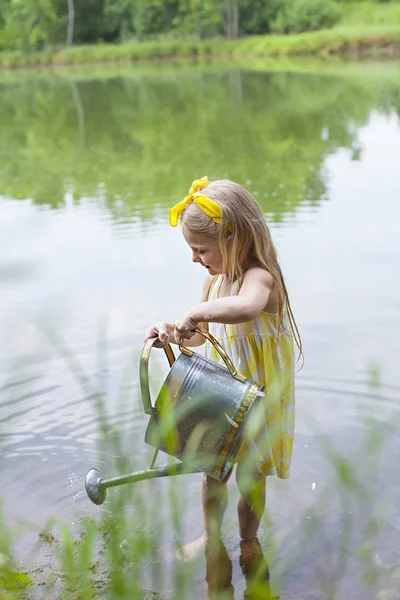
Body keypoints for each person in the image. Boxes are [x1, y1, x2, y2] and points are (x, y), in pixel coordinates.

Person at [144, 176, 302, 562]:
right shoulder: (213, 284)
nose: (195, 259)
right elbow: (201, 338)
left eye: (201, 249)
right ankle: (210, 538)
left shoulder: (262, 277)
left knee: (251, 476)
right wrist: (174, 332)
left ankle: (249, 542)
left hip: (259, 400)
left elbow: (247, 307)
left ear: (233, 239)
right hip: (222, 396)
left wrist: (197, 312)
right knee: (211, 472)